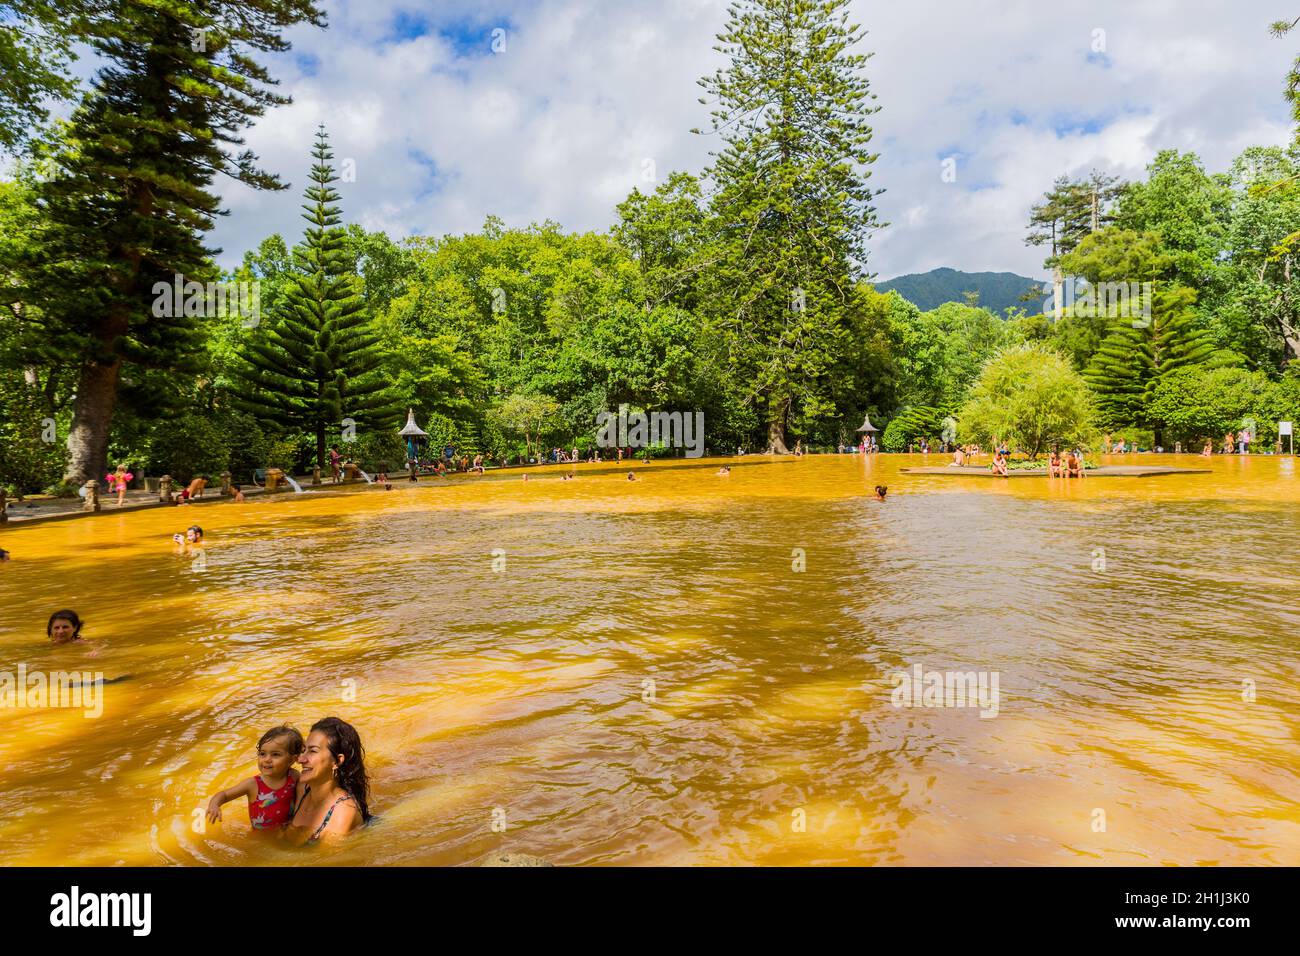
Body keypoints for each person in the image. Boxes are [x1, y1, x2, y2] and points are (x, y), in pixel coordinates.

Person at [288, 717, 370, 843]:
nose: (300, 759)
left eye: (313, 751)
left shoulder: (343, 812)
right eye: (304, 750)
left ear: (337, 761)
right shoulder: (301, 788)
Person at [206, 725, 304, 830]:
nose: (267, 759)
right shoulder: (252, 784)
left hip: (286, 831)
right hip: (261, 838)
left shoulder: (293, 776)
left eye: (275, 754)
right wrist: (214, 805)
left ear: (292, 760)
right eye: (262, 754)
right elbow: (224, 794)